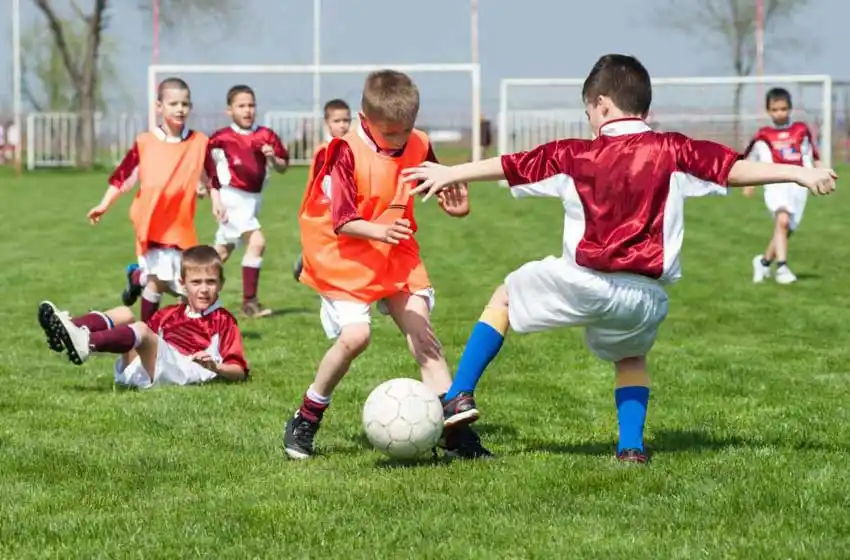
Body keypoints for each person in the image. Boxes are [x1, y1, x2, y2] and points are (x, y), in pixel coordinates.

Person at [403, 54, 837, 464]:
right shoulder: (675, 150)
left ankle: (459, 394)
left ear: (602, 105)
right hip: (646, 296)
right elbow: (734, 169)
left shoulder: (575, 153)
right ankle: (630, 449)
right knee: (631, 359)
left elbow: (511, 165)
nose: (588, 120)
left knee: (504, 298)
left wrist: (451, 172)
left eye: (588, 111)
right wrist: (801, 172)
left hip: (585, 280)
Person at [283, 69, 491, 461]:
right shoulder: (343, 152)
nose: (400, 141)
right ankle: (306, 416)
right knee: (356, 337)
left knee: (421, 331)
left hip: (394, 249)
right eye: (390, 134)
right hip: (343, 254)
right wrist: (378, 232)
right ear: (365, 121)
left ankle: (456, 436)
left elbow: (437, 182)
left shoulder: (418, 142)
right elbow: (343, 219)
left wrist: (456, 205)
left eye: (407, 130)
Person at [37, 245, 249, 389]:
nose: (204, 289)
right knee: (125, 314)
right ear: (182, 284)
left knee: (141, 329)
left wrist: (215, 367)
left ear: (220, 284)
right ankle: (67, 329)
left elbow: (239, 370)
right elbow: (136, 339)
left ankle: (85, 342)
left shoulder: (224, 320)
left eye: (210, 282)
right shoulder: (170, 314)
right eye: (196, 282)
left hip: (186, 369)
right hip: (152, 368)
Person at [102, 77, 223, 321]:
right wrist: (104, 204)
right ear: (159, 107)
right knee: (161, 282)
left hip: (180, 226)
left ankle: (139, 280)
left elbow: (211, 175)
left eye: (185, 104)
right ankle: (148, 330)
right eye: (173, 103)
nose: (180, 109)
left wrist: (216, 200)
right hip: (150, 223)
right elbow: (123, 177)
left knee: (181, 285)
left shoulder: (199, 142)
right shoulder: (145, 142)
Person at [206, 84, 290, 317]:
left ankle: (190, 288)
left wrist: (273, 159)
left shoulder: (266, 135)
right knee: (257, 242)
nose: (247, 110)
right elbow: (205, 167)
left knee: (221, 253)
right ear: (229, 110)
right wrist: (214, 196)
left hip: (252, 201)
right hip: (231, 197)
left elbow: (284, 167)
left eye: (251, 105)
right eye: (241, 106)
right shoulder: (221, 138)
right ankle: (249, 302)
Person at [743, 87, 821, 284]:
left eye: (784, 109)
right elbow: (748, 159)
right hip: (775, 183)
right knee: (783, 221)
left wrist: (820, 175)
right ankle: (782, 268)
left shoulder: (801, 130)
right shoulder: (763, 135)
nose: (780, 113)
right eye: (775, 109)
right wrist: (749, 182)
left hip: (798, 185)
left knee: (785, 229)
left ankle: (763, 262)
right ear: (768, 111)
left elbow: (813, 155)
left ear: (790, 108)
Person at [293, 98, 353, 282]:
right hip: (324, 211)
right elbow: (322, 186)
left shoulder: (350, 148)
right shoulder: (324, 151)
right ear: (326, 123)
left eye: (346, 120)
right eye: (337, 121)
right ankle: (306, 261)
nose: (342, 125)